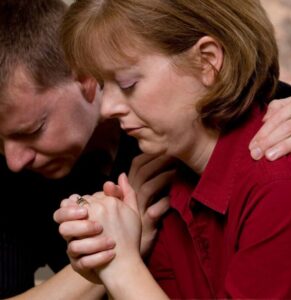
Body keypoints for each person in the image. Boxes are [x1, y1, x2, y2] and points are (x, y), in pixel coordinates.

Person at [54, 0, 291, 299]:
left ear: (206, 62)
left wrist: (121, 265)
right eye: (104, 86)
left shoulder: (281, 185)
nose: (107, 109)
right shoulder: (169, 181)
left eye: (127, 82)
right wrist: (111, 247)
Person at [0, 0, 173, 299]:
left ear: (85, 77)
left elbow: (251, 98)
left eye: (32, 130)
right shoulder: (12, 177)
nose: (15, 161)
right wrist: (114, 250)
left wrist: (283, 110)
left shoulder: (162, 110)